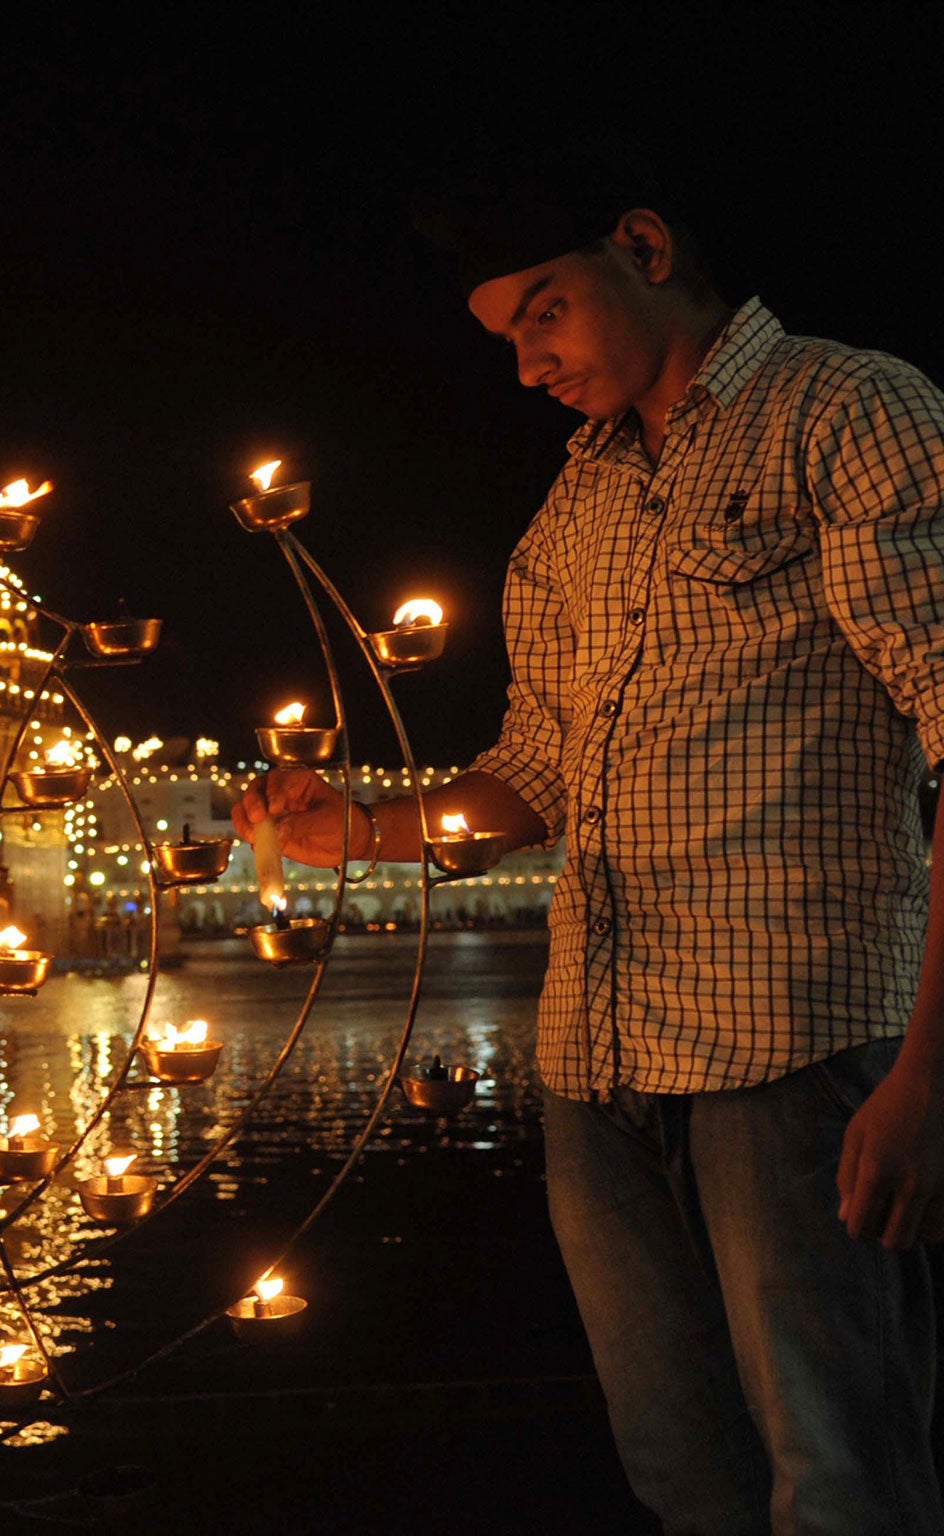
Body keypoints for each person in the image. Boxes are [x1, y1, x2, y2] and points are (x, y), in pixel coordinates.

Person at [237, 162, 944, 1533]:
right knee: (683, 1471)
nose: (527, 366)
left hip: (794, 1052)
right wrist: (361, 832)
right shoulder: (576, 510)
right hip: (598, 1061)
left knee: (839, 1473)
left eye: (545, 316)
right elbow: (542, 770)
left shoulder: (850, 412)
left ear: (646, 245)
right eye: (506, 338)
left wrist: (930, 1074)